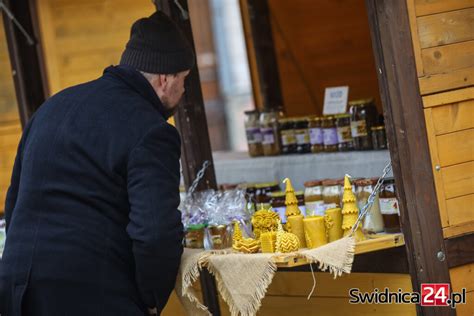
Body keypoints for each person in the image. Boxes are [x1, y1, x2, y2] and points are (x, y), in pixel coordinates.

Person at [0, 10, 193, 316]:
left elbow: (15, 204)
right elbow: (155, 232)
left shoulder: (52, 108)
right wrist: (152, 298)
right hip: (90, 294)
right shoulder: (152, 131)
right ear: (165, 79)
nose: (183, 91)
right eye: (184, 80)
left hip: (17, 289)